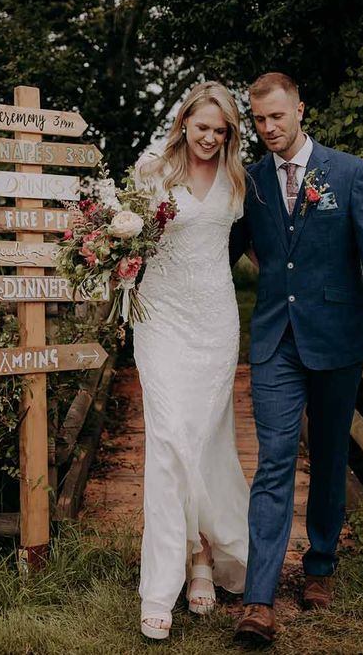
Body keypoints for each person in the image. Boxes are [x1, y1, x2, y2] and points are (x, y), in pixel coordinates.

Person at [231, 72, 363, 647]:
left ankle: (321, 565)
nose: (268, 129)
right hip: (275, 340)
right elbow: (218, 248)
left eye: (277, 117)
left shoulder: (349, 173)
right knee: (275, 460)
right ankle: (259, 598)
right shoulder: (249, 183)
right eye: (258, 120)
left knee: (330, 457)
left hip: (336, 338)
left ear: (301, 109)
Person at [133, 81, 250, 641]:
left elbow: (258, 246)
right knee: (169, 442)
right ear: (184, 122)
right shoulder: (151, 171)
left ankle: (203, 556)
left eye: (219, 130)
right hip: (160, 320)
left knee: (206, 441)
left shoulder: (236, 179)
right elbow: (123, 238)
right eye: (201, 127)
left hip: (215, 323)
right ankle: (159, 586)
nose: (209, 137)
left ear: (229, 134)